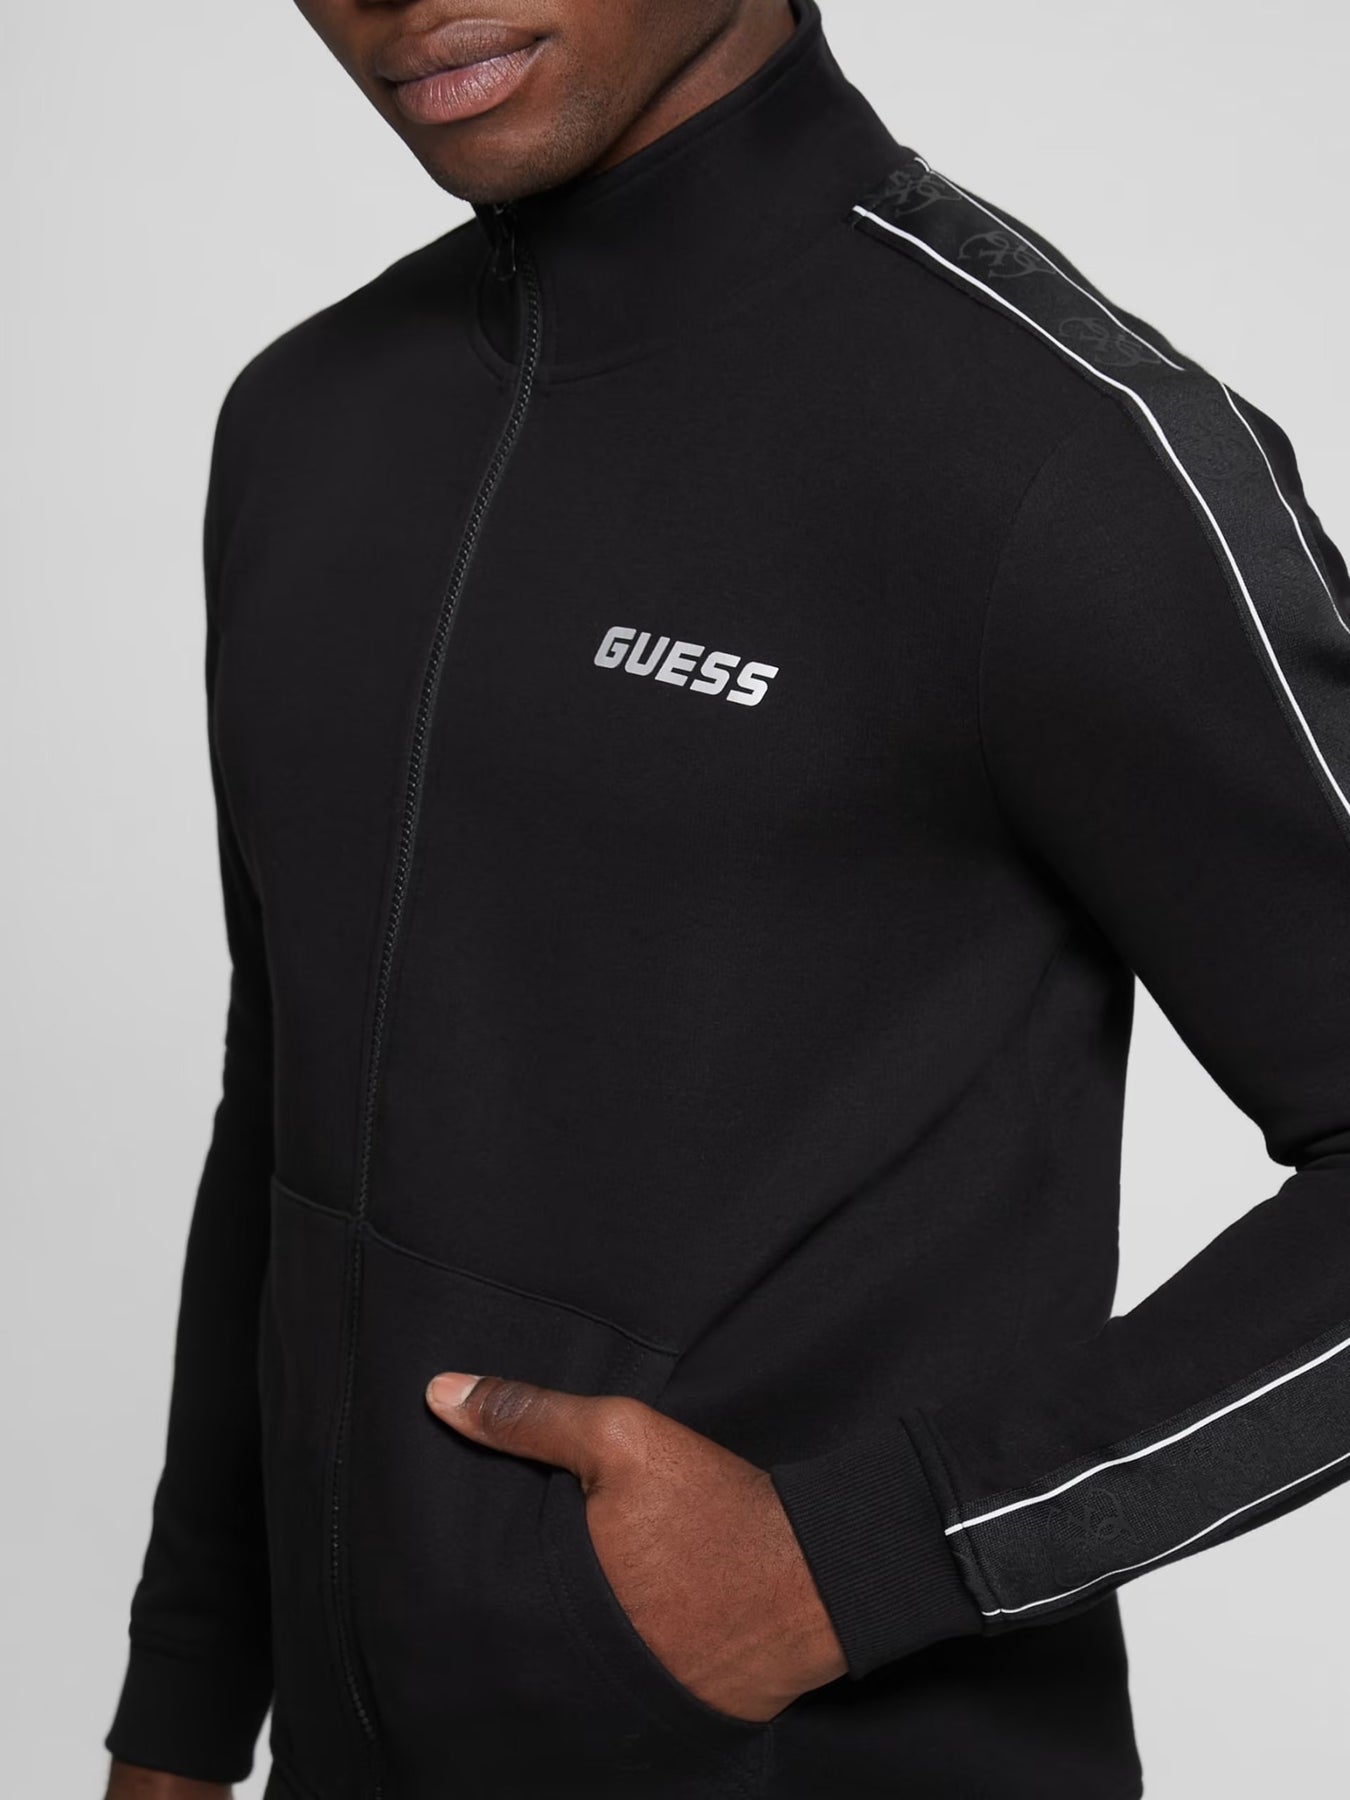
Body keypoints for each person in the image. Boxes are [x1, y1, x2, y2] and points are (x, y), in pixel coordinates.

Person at [104, 0, 1350, 1795]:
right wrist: (183, 1705)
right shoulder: (311, 417)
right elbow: (289, 1096)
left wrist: (861, 1559)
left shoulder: (1055, 450)